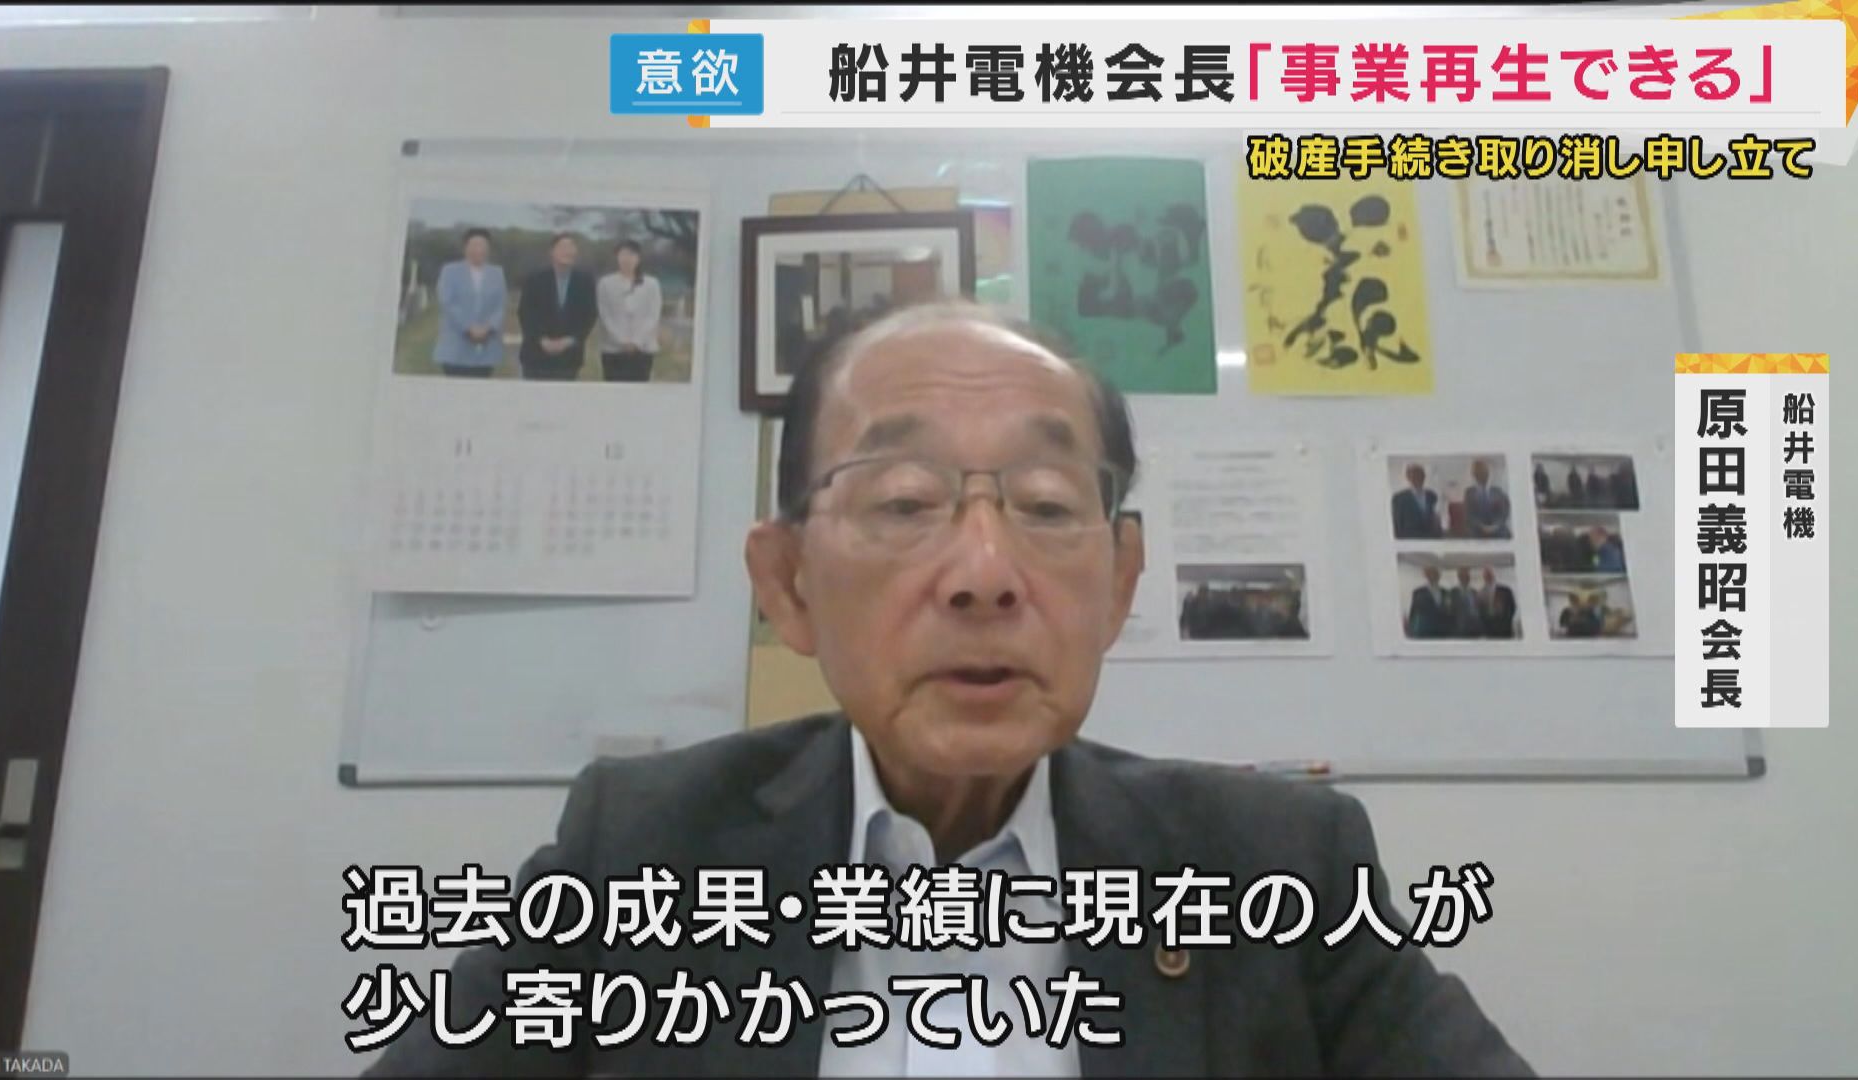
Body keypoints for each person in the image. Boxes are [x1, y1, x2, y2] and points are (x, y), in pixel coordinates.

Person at [361, 301, 1530, 1077]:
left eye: (1048, 505)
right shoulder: (641, 850)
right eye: (906, 502)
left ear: (1120, 583)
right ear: (789, 584)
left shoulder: (1279, 868)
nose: (984, 573)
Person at [516, 232, 598, 381]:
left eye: (571, 247)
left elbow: (589, 315)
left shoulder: (585, 281)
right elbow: (525, 313)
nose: (567, 251)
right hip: (536, 356)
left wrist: (569, 340)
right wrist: (542, 340)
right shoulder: (535, 279)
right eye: (562, 247)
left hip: (569, 359)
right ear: (552, 252)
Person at [430, 228, 507, 378]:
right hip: (455, 347)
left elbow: (500, 305)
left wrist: (488, 328)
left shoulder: (497, 273)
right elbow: (447, 303)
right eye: (474, 245)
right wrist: (469, 328)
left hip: (486, 348)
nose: (478, 250)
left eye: (482, 245)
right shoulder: (450, 271)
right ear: (465, 247)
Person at [596, 239, 664, 382]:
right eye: (623, 255)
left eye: (631, 255)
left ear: (638, 258)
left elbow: (653, 315)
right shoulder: (606, 283)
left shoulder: (651, 284)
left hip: (643, 348)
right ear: (617, 257)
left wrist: (636, 341)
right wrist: (621, 341)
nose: (627, 259)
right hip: (613, 349)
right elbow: (605, 315)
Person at [1390, 462, 1443, 539]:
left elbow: (1436, 517)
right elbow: (1397, 525)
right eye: (1414, 475)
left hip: (1431, 538)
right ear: (1408, 478)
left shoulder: (1431, 495)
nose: (1418, 478)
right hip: (1411, 540)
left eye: (1421, 475)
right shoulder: (1399, 498)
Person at [1463, 459, 1512, 540]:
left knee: (1506, 535)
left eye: (1484, 472)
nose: (1482, 475)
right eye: (1479, 473)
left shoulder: (1498, 491)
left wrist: (1496, 525)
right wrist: (1482, 527)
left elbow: (1504, 512)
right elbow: (1469, 515)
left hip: (1499, 530)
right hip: (1478, 532)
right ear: (1474, 475)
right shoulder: (1469, 493)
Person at [1406, 564, 1452, 640]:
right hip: (1426, 630)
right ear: (1426, 576)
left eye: (1436, 574)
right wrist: (1410, 628)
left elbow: (1449, 610)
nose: (1433, 576)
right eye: (1430, 574)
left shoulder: (1446, 592)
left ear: (1439, 576)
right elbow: (1413, 611)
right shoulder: (1418, 592)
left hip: (1443, 630)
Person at [1479, 566, 1518, 639]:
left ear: (1493, 575)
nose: (1488, 577)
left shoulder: (1506, 590)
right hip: (1489, 632)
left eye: (1489, 574)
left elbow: (1512, 607)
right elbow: (1480, 612)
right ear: (1483, 578)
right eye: (1485, 576)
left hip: (1505, 630)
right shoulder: (1481, 593)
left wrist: (1506, 623)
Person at [1449, 567, 1485, 638]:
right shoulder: (1453, 592)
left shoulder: (1474, 591)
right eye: (1463, 576)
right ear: (1459, 577)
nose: (1466, 578)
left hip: (1475, 628)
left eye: (1467, 576)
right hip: (1460, 628)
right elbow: (1450, 610)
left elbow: (1478, 609)